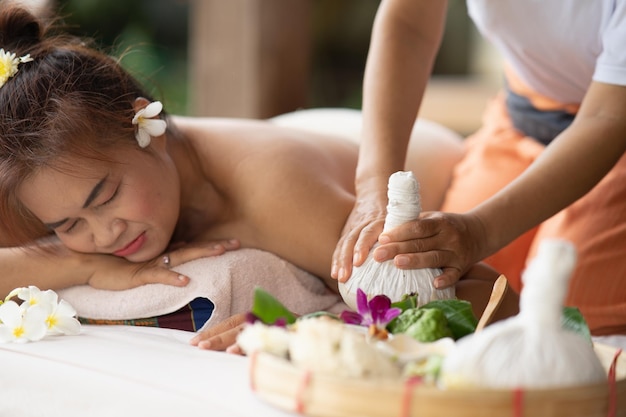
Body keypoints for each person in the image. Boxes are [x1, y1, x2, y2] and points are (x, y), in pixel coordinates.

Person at [0, 4, 517, 349]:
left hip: (422, 156)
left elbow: (487, 292)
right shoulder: (60, 175)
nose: (103, 234)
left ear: (148, 126)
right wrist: (81, 267)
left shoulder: (274, 196)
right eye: (67, 225)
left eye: (107, 196)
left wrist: (306, 331)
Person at [332, 0, 626, 335]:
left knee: (572, 322)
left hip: (614, 130)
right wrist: (373, 186)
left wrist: (481, 231)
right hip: (525, 115)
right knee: (455, 289)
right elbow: (408, 24)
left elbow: (607, 118)